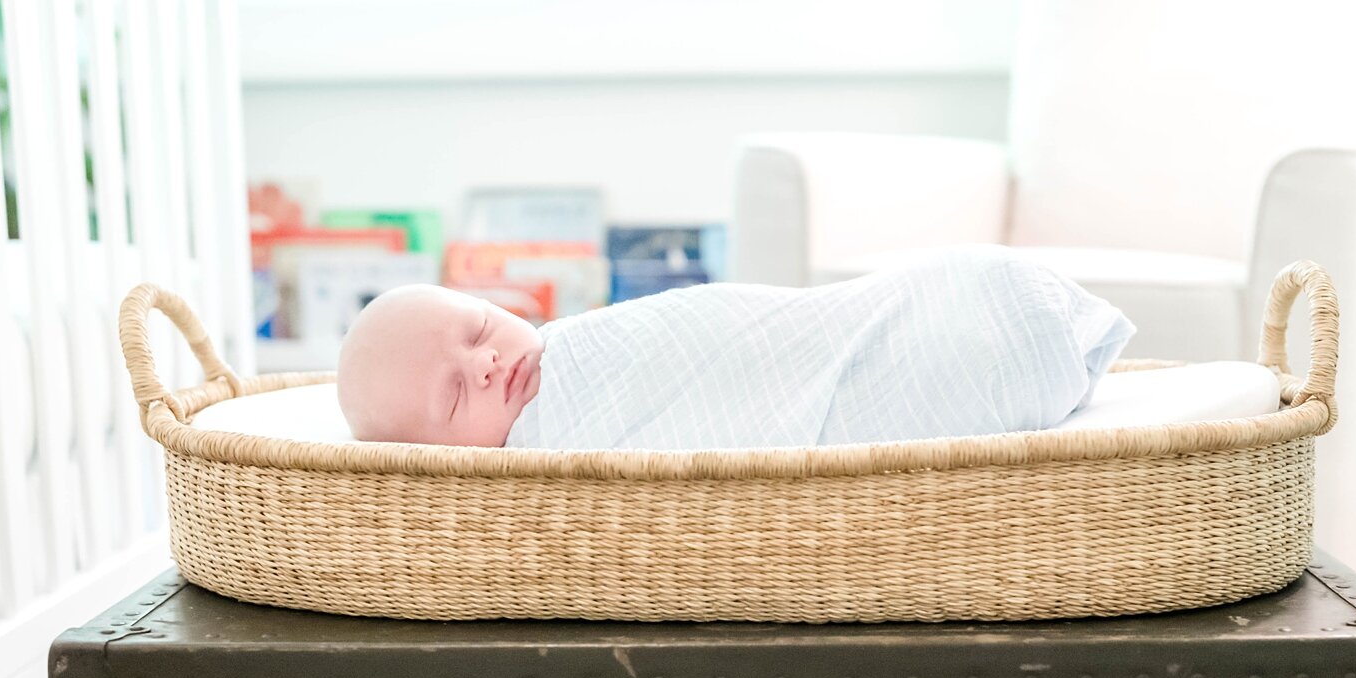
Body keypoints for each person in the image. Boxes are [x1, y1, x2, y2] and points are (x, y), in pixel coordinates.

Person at [335, 246, 1135, 452]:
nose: (485, 362)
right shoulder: (541, 457)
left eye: (478, 327)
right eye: (454, 397)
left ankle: (1006, 322)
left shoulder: (581, 348)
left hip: (912, 309)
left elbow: (730, 329)